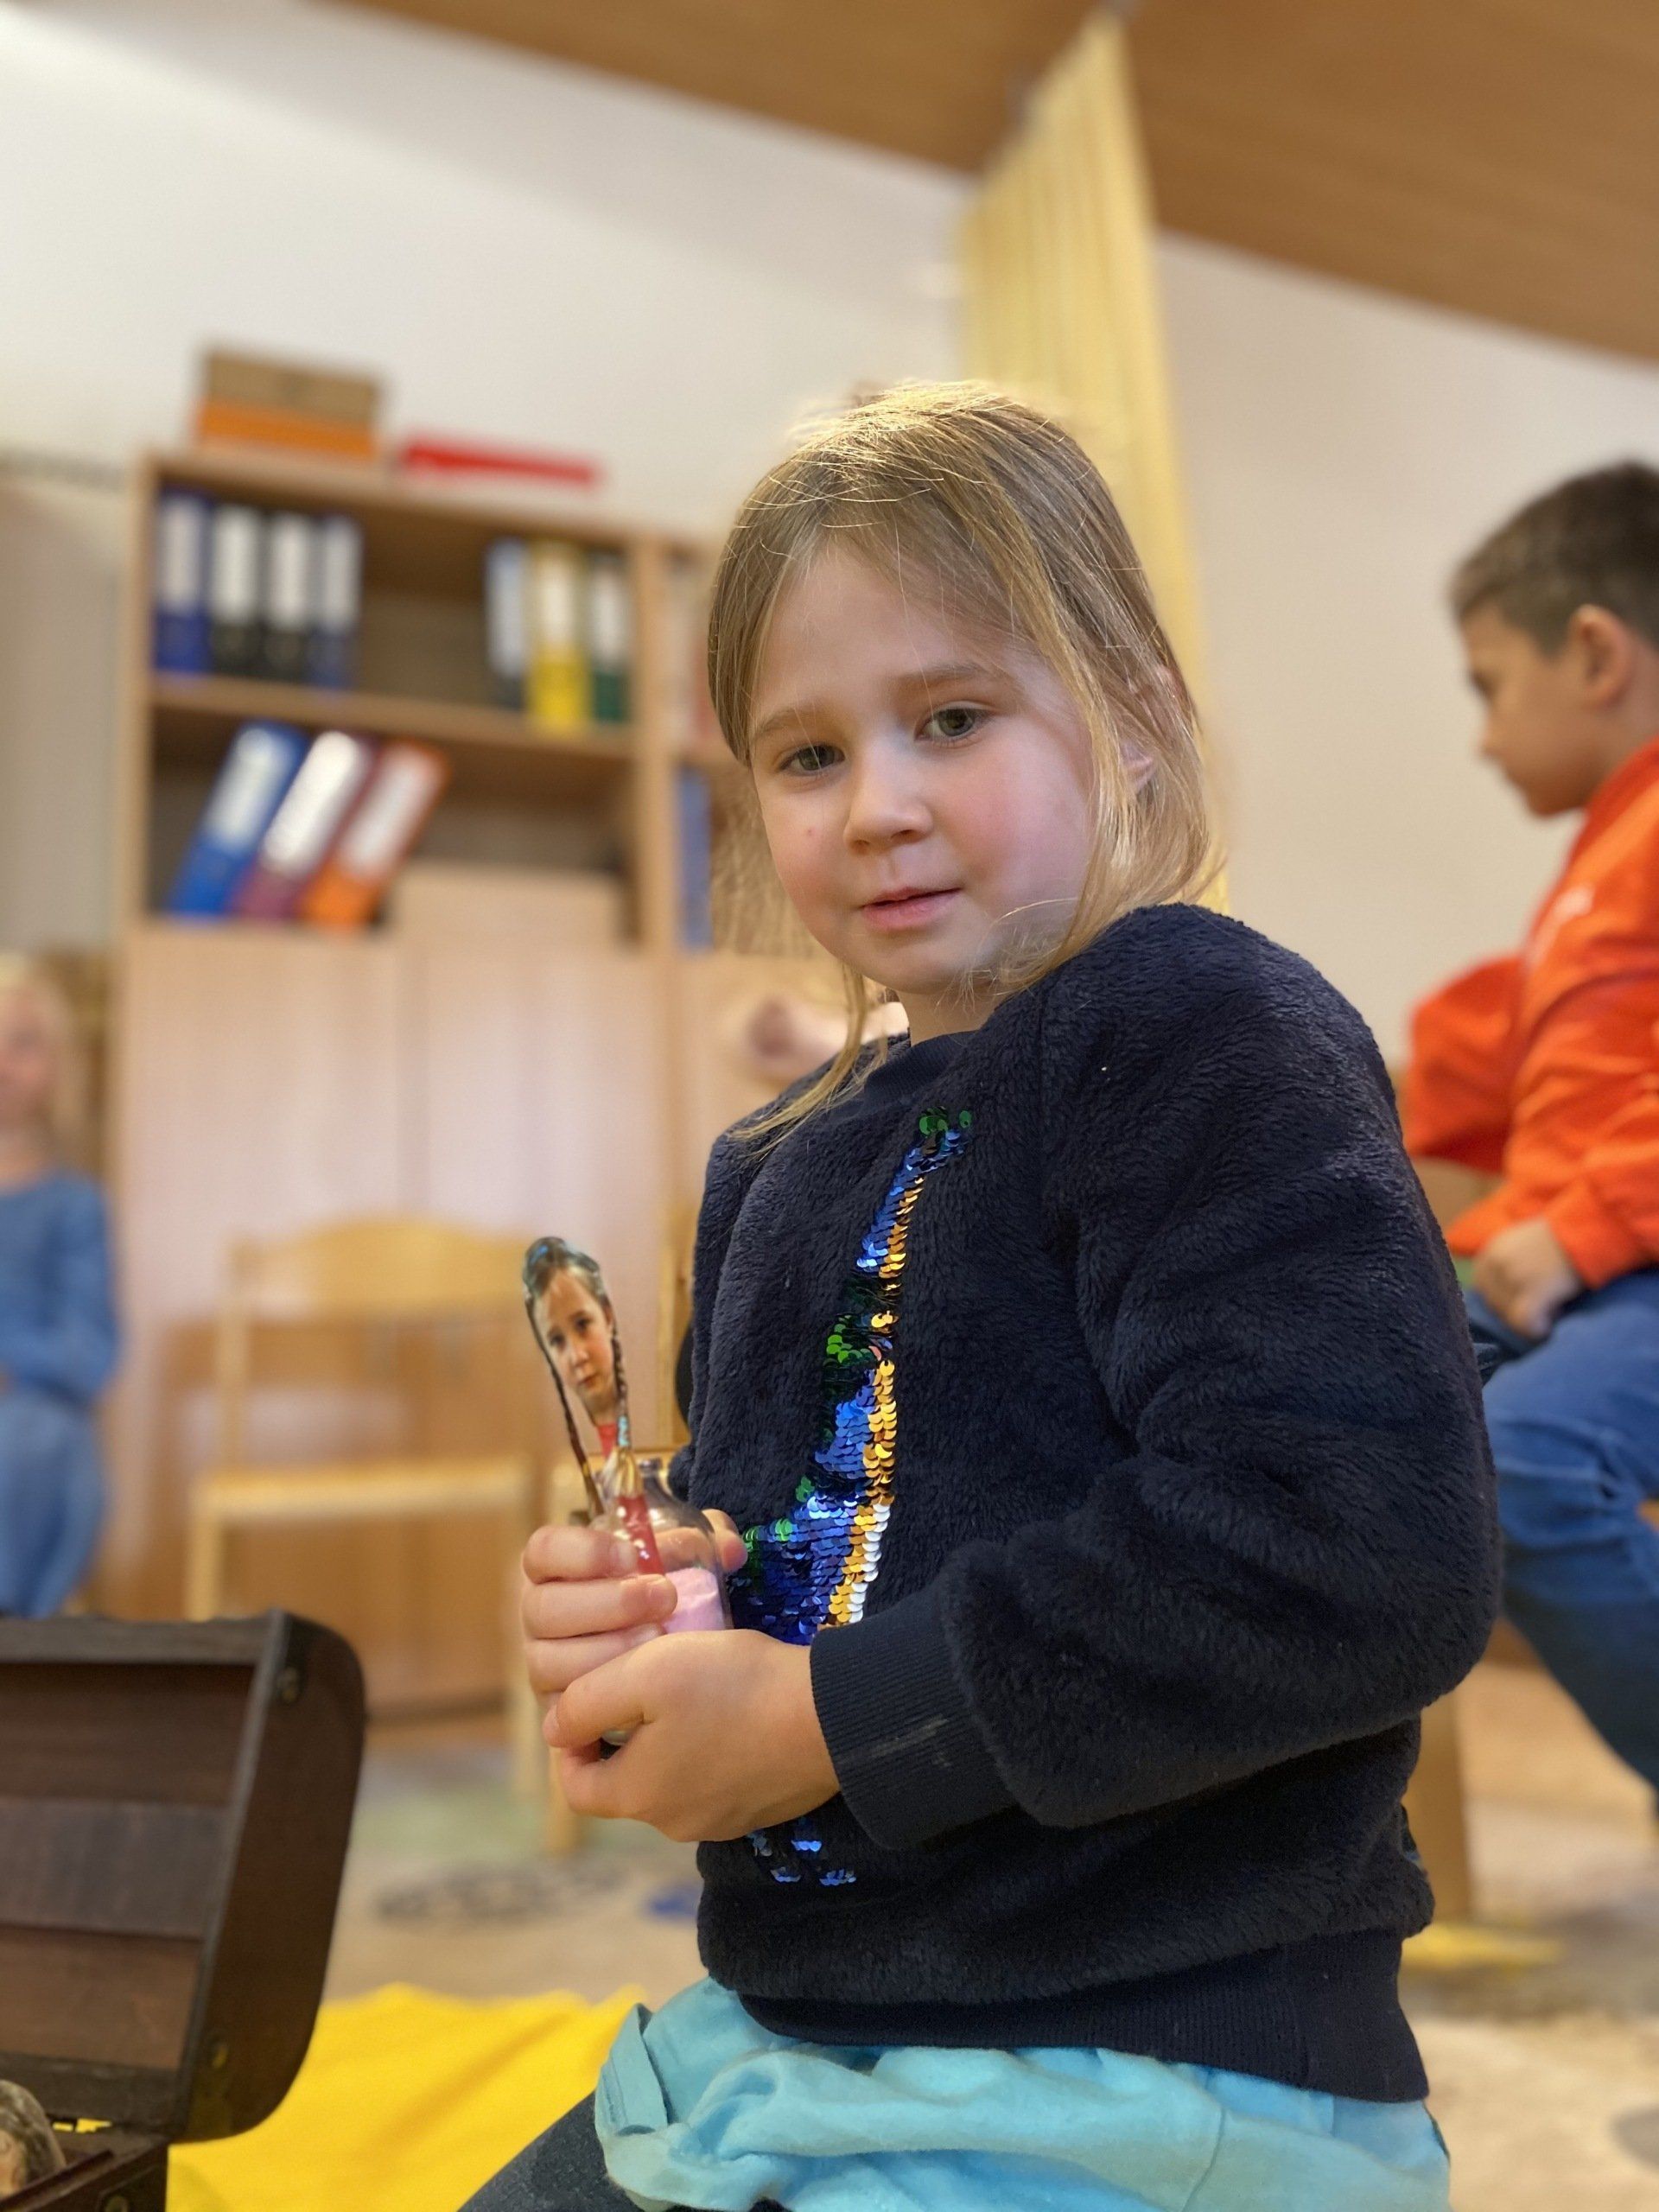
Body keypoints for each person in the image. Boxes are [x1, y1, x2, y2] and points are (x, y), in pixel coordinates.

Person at [479, 385, 1497, 2212]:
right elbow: (818, 1548)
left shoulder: (1196, 1024)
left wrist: (825, 1720)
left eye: (951, 718)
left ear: (1135, 716)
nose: (879, 807)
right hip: (807, 2035)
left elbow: (1359, 1546)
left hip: (1164, 2056)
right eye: (806, 754)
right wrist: (659, 1592)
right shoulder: (774, 1159)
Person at [1402, 461, 1659, 1796]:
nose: (1483, 737)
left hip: (1627, 1262)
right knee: (1342, 1402)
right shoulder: (1600, 870)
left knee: (1530, 1465)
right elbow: (1501, 1065)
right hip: (1575, 1263)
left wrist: (1581, 1229)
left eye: (1490, 686)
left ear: (1597, 655)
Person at [0, 956, 119, 1616]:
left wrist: (9, 1363)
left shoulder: (74, 1206)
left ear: (58, 1066)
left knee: (26, 1442)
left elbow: (91, 1355)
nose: (2, 1063)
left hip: (31, 1418)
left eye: (23, 1042)